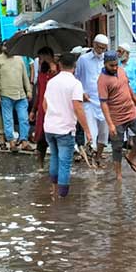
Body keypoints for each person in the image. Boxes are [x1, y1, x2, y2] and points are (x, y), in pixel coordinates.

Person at [43, 50, 93, 197]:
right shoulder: (75, 84)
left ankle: (54, 190)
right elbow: (78, 108)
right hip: (65, 130)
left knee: (54, 157)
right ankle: (62, 197)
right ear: (75, 66)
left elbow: (45, 104)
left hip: (50, 127)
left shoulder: (51, 82)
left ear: (59, 65)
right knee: (64, 163)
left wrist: (53, 115)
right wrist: (88, 131)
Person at [99, 50, 136, 180]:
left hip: (131, 112)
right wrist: (110, 124)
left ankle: (131, 156)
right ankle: (119, 176)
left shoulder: (121, 70)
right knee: (117, 147)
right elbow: (103, 104)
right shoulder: (102, 80)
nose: (115, 68)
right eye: (111, 65)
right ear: (105, 64)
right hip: (116, 118)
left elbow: (128, 88)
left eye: (116, 64)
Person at [75, 34, 112, 164]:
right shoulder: (83, 60)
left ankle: (98, 157)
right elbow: (77, 78)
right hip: (88, 101)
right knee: (91, 131)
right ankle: (90, 156)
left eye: (104, 48)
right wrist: (81, 93)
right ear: (94, 45)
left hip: (104, 101)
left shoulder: (107, 61)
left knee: (104, 132)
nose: (101, 50)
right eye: (99, 47)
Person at [0, 45, 34, 152]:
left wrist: (29, 90)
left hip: (21, 94)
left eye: (9, 46)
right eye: (5, 46)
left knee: (24, 119)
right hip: (6, 94)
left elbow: (25, 76)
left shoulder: (19, 59)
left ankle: (24, 142)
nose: (7, 48)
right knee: (8, 120)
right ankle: (11, 142)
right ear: (2, 48)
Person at [31, 47, 59, 167]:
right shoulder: (41, 72)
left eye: (43, 57)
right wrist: (33, 110)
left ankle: (57, 164)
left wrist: (55, 70)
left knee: (57, 137)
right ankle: (40, 165)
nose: (42, 60)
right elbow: (39, 92)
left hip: (57, 108)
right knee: (41, 138)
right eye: (40, 58)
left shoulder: (59, 70)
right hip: (43, 110)